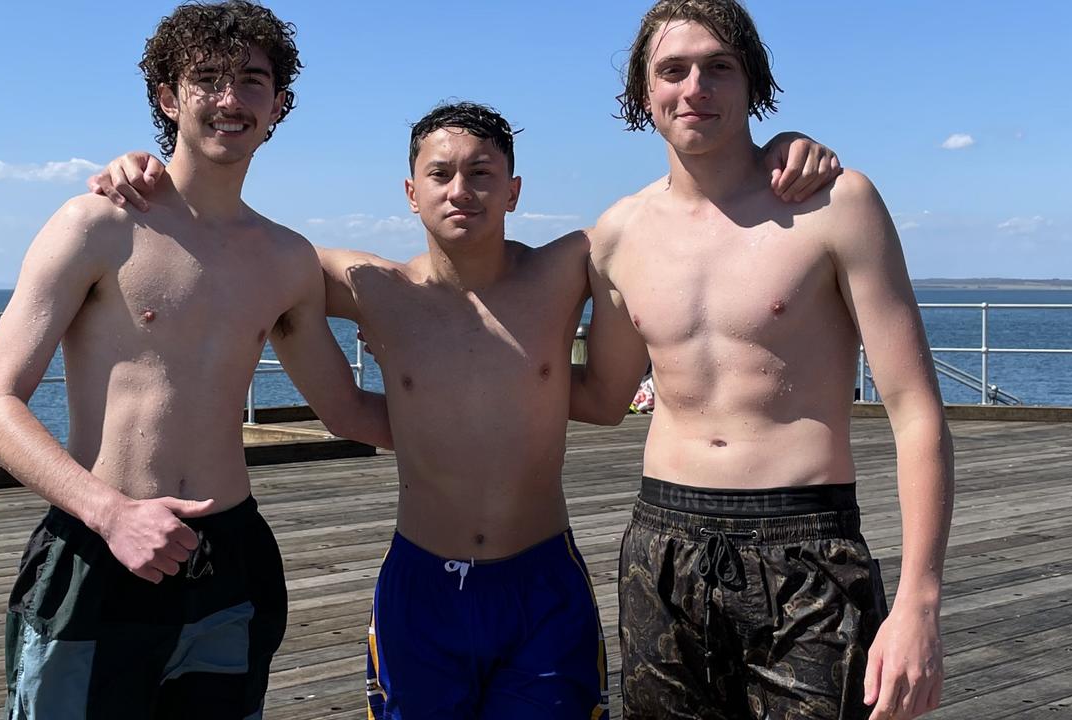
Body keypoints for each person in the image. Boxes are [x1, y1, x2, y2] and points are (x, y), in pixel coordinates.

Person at [88, 97, 839, 716]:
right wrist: (152, 180)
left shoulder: (565, 269)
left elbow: (676, 217)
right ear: (410, 192)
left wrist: (779, 147)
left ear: (515, 191)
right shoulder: (371, 286)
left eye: (483, 173)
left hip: (542, 579)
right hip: (422, 586)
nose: (461, 190)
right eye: (440, 174)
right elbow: (238, 248)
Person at [0, 3, 390, 717]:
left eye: (252, 80)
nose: (231, 99)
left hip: (230, 557)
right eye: (208, 79)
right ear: (168, 97)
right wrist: (110, 514)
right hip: (99, 549)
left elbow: (345, 409)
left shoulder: (287, 259)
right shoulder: (97, 225)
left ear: (278, 104)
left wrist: (490, 420)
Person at [570, 2, 954, 718]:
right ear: (642, 92)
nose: (696, 88)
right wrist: (461, 363)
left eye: (720, 67)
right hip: (662, 549)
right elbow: (603, 396)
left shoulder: (835, 204)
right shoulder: (619, 234)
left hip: (806, 545)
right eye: (673, 70)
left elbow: (915, 410)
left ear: (753, 84)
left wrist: (919, 604)